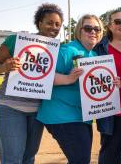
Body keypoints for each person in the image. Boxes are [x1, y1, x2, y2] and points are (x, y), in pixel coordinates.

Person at [0, 3, 63, 164]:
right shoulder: (17, 40)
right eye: (49, 22)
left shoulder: (57, 49)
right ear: (39, 23)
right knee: (13, 159)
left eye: (58, 24)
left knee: (28, 158)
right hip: (10, 107)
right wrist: (5, 67)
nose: (54, 27)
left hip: (38, 111)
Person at [37, 14, 108, 163]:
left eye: (97, 28)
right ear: (79, 31)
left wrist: (110, 83)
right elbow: (41, 75)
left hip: (81, 117)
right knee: (80, 160)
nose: (93, 32)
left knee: (80, 159)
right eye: (88, 28)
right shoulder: (67, 50)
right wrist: (68, 78)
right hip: (62, 115)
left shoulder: (94, 55)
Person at [94, 10, 121, 164]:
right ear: (110, 26)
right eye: (117, 22)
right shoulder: (100, 49)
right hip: (111, 113)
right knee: (109, 155)